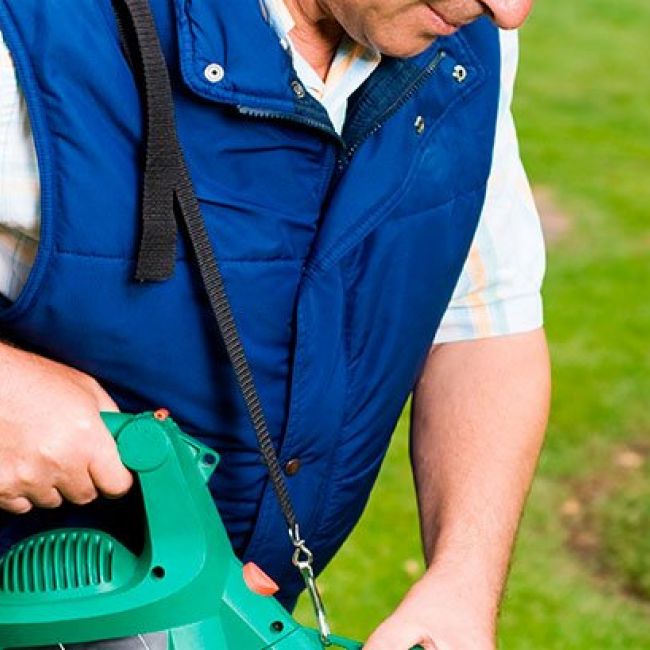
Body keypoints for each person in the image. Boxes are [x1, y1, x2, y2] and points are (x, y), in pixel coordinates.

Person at [0, 0, 550, 648]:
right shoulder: (35, 29)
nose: (510, 14)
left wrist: (463, 579)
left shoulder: (458, 36)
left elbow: (484, 315)